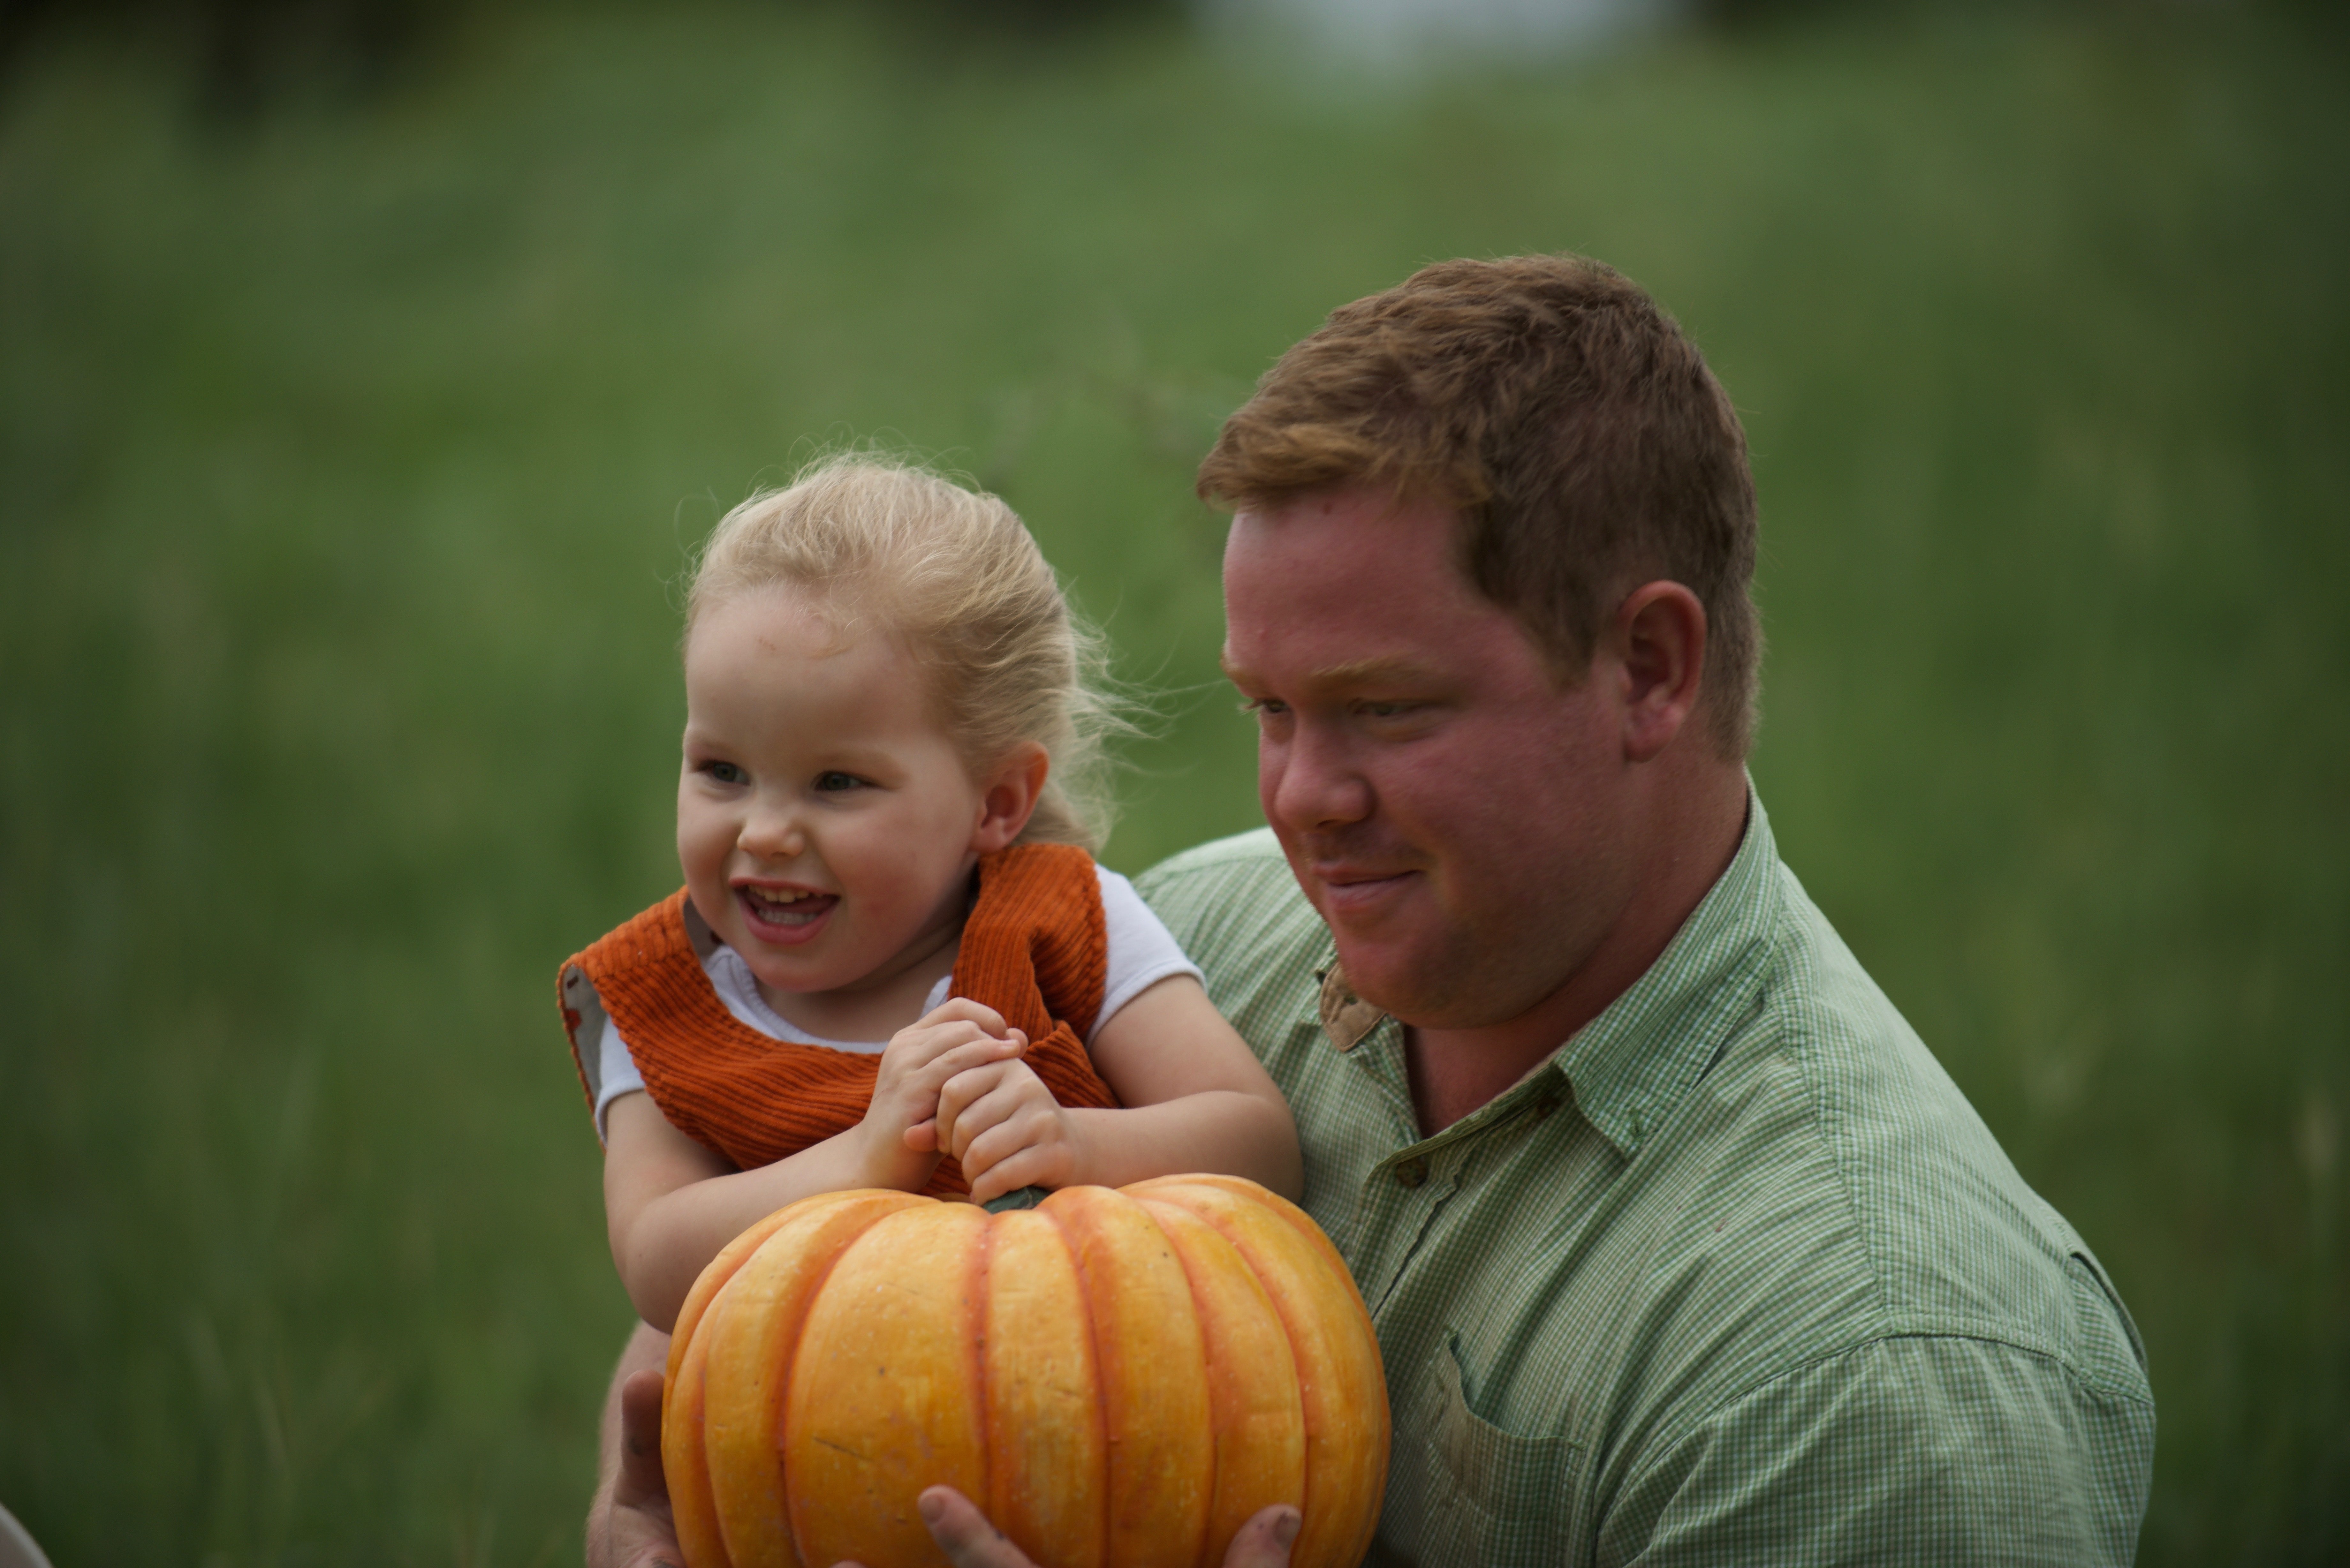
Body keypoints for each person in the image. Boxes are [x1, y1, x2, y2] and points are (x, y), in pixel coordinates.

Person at [585, 257, 2156, 1566]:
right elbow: (828, 1301)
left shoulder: (1867, 1375)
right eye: (1270, 710)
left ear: (1651, 672)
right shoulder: (1207, 942)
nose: (1298, 802)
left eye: (1387, 712)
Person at [558, 455, 1302, 1336]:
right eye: (722, 771)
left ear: (997, 803)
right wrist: (866, 1159)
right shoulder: (664, 1003)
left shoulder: (1067, 917)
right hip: (801, 1446)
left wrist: (1079, 1145)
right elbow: (657, 1260)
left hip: (1095, 1415)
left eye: (836, 783)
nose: (763, 832)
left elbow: (1259, 1145)